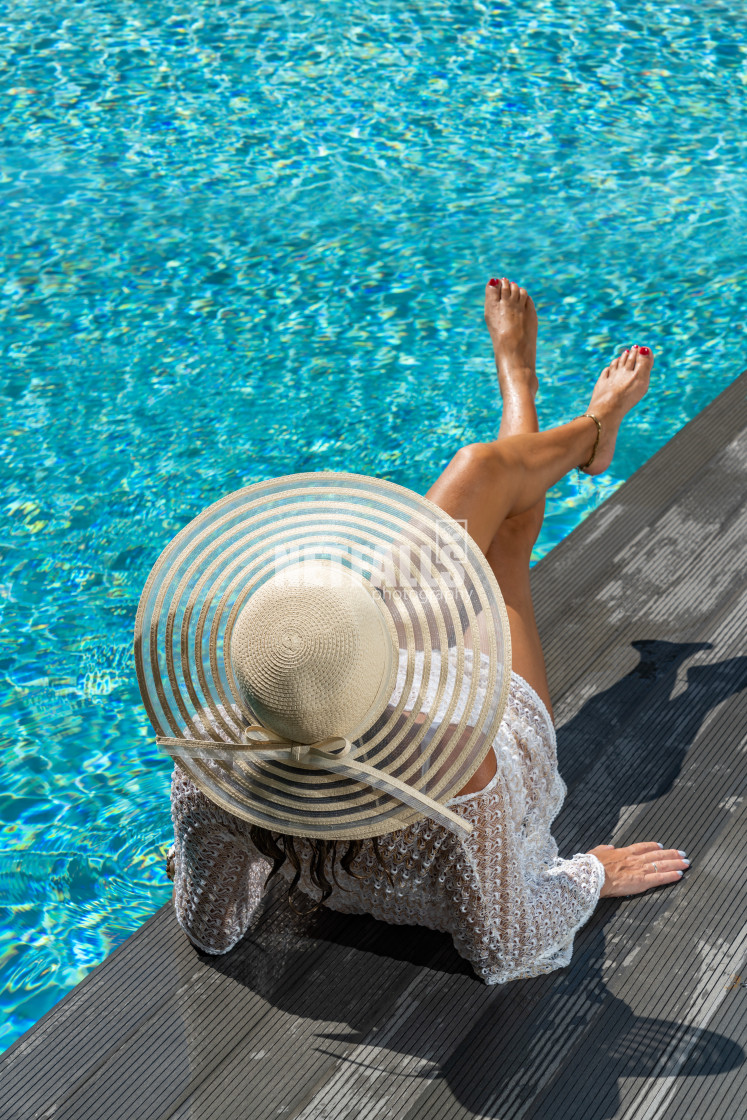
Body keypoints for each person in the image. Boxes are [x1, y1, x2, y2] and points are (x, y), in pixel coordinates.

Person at [146, 277, 689, 985]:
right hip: (476, 744)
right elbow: (506, 945)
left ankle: (530, 399)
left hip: (327, 737)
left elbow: (212, 929)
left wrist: (209, 844)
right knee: (499, 529)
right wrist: (591, 873)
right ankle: (581, 425)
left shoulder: (209, 761)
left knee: (481, 490)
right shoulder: (460, 763)